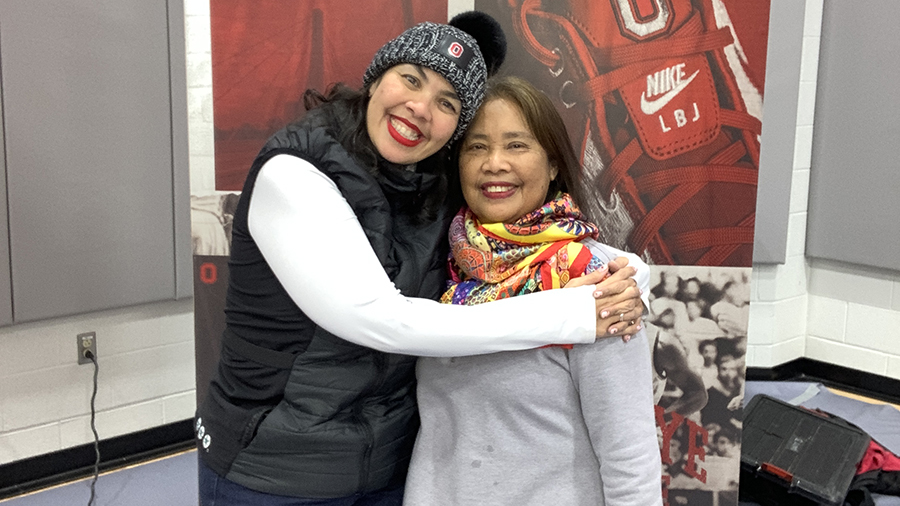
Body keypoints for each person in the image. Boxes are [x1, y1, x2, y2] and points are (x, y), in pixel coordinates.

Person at [195, 14, 645, 506]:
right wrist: (578, 311)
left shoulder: (437, 192)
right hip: (279, 472)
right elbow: (381, 320)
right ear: (377, 78)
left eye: (447, 102)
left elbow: (629, 451)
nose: (420, 108)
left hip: (385, 467)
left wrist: (625, 276)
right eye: (411, 79)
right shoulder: (294, 174)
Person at [404, 76, 661, 506]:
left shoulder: (595, 280)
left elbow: (629, 451)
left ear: (554, 163)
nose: (494, 163)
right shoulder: (442, 268)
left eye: (517, 145)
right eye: (477, 146)